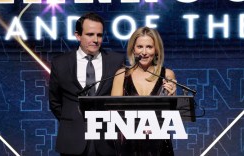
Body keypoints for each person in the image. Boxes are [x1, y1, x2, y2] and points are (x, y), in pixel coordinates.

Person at [49, 12, 125, 156]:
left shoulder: (116, 61)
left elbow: (122, 97)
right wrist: (72, 121)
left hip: (106, 140)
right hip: (72, 139)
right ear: (78, 35)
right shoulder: (60, 63)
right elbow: (54, 102)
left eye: (99, 35)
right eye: (90, 34)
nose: (96, 40)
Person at [111, 26, 176, 156]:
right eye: (140, 47)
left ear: (156, 50)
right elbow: (113, 113)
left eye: (149, 47)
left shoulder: (167, 74)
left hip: (158, 144)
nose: (144, 52)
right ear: (133, 49)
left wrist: (172, 95)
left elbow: (172, 113)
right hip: (128, 144)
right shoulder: (122, 75)